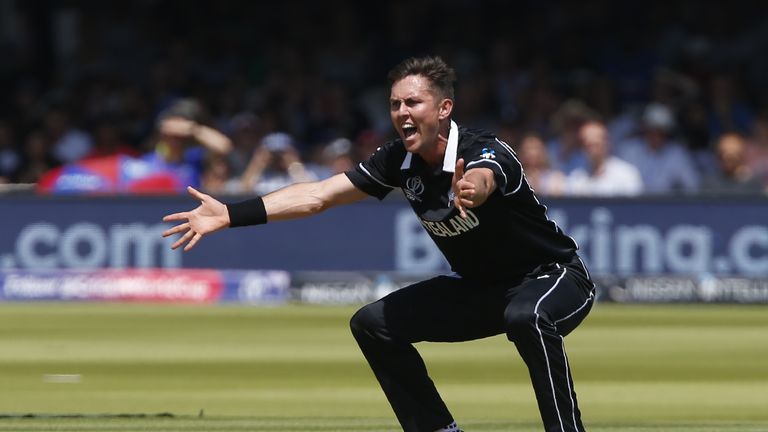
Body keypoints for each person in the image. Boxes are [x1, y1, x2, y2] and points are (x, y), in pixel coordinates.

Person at [162, 56, 595, 432]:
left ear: (444, 108)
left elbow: (485, 176)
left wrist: (473, 189)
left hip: (553, 276)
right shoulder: (397, 160)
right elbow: (318, 196)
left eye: (413, 102)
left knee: (528, 316)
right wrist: (231, 214)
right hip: (482, 288)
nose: (402, 112)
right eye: (395, 104)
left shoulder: (485, 150)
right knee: (373, 324)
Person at [566, 120, 643, 197]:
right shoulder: (576, 175)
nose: (591, 150)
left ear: (606, 143)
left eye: (595, 144)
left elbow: (634, 207)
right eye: (587, 145)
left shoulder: (626, 174)